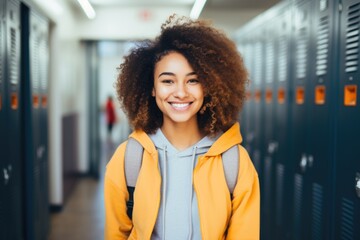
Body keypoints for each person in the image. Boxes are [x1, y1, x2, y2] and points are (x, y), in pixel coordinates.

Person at [104, 15, 260, 239]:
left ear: (208, 87)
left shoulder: (234, 162)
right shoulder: (128, 158)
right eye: (168, 81)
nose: (180, 92)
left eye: (193, 80)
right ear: (152, 88)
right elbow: (115, 234)